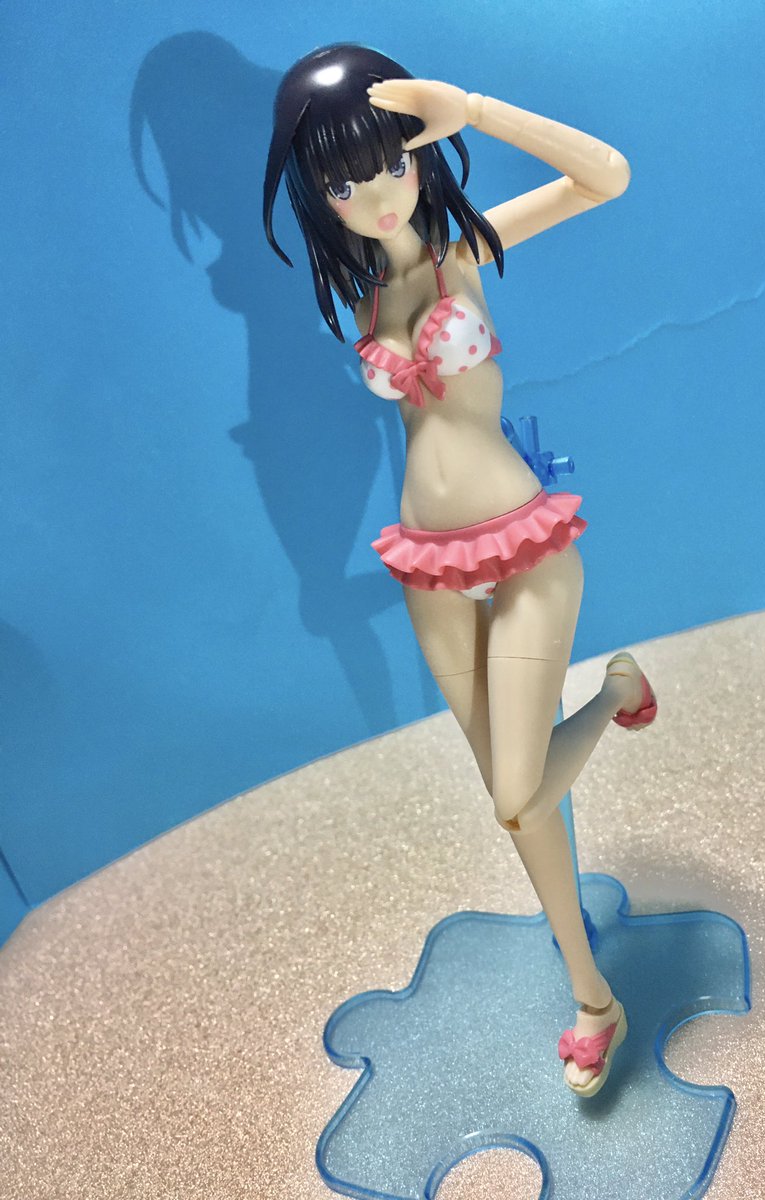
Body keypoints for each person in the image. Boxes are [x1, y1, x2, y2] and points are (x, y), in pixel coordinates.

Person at [263, 43, 656, 1097]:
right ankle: (594, 1000)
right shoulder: (362, 296)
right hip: (425, 564)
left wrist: (472, 107)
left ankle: (615, 689)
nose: (372, 195)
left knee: (522, 798)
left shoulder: (459, 249)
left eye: (387, 163)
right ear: (318, 200)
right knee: (514, 811)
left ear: (418, 151)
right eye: (342, 184)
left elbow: (606, 176)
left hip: (522, 539)